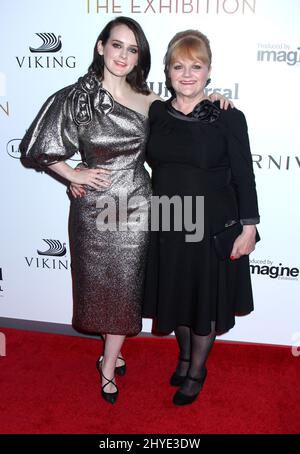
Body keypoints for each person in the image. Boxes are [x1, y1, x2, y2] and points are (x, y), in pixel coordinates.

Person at [20, 17, 231, 405]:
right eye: (117, 45)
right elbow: (37, 145)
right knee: (100, 290)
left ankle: (108, 364)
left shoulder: (151, 101)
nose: (123, 55)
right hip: (94, 210)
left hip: (137, 207)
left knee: (123, 290)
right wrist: (71, 173)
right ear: (101, 47)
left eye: (132, 49)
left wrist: (214, 101)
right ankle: (109, 354)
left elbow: (188, 117)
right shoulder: (76, 97)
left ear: (140, 58)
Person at [142, 30, 260, 406]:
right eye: (179, 66)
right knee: (176, 295)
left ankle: (197, 369)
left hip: (212, 223)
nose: (188, 74)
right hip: (168, 219)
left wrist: (250, 226)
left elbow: (244, 174)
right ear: (167, 71)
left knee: (204, 301)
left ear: (209, 71)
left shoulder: (227, 116)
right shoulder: (156, 113)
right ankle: (183, 356)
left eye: (197, 66)